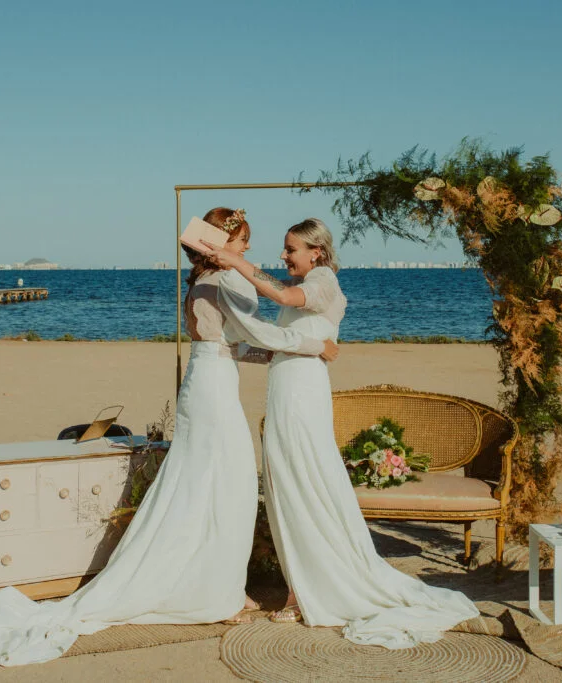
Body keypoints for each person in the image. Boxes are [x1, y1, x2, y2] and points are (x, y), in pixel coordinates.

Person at [0, 208, 338, 667]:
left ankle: (214, 583)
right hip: (217, 388)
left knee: (198, 484)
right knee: (230, 489)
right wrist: (317, 347)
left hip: (202, 381)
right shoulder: (229, 280)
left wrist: (270, 350)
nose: (248, 249)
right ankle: (225, 595)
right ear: (221, 244)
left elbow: (231, 342)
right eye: (242, 241)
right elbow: (258, 331)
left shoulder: (197, 283)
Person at [205, 218, 479, 649]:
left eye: (290, 248)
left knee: (305, 481)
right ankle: (301, 582)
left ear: (316, 251)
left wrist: (238, 262)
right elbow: (285, 339)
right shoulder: (309, 279)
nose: (284, 256)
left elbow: (283, 295)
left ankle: (308, 589)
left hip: (302, 393)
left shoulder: (323, 280)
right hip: (286, 385)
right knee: (289, 484)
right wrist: (229, 348)